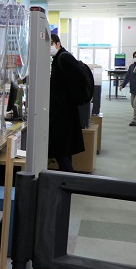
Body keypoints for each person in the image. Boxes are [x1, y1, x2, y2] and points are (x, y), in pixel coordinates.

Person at [48, 34, 85, 172]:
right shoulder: (58, 58)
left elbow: (77, 81)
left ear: (58, 43)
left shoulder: (64, 57)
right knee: (63, 150)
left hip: (64, 112)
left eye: (51, 43)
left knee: (61, 150)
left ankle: (67, 181)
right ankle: (67, 179)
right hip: (62, 111)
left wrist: (65, 99)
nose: (49, 47)